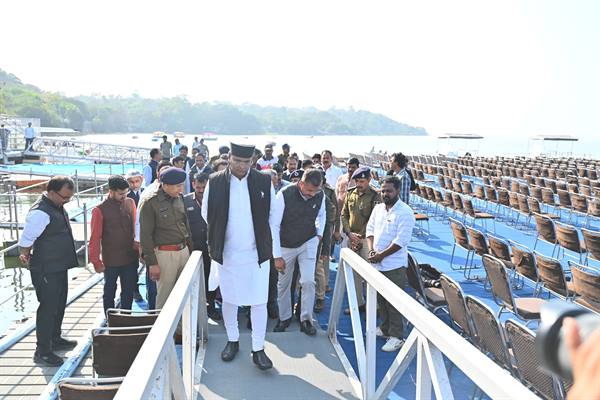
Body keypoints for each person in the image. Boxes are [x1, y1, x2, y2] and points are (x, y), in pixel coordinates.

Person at [201, 142, 280, 370]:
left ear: (252, 161)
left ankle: (258, 348)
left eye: (247, 162)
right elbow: (207, 214)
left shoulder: (263, 181)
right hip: (228, 254)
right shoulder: (215, 181)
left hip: (257, 254)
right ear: (230, 158)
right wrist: (223, 237)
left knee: (259, 302)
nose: (242, 166)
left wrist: (270, 248)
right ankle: (233, 340)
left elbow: (273, 216)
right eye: (237, 161)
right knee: (230, 299)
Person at [18, 176, 78, 366]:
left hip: (58, 266)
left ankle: (55, 338)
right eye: (64, 197)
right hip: (46, 268)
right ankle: (42, 351)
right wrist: (25, 254)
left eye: (69, 198)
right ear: (51, 192)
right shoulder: (40, 212)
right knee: (48, 308)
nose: (66, 201)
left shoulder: (56, 205)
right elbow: (26, 240)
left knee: (59, 304)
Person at [271, 169, 325, 335]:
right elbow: (274, 225)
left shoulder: (320, 195)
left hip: (308, 241)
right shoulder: (284, 194)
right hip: (285, 245)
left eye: (315, 191)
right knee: (283, 284)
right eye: (309, 190)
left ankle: (306, 319)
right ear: (301, 183)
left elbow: (322, 215)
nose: (312, 194)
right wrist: (277, 255)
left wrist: (319, 235)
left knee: (308, 281)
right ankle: (284, 317)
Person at [366, 176, 415, 351]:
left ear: (398, 191)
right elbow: (370, 229)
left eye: (389, 191)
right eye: (383, 190)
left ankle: (397, 336)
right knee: (381, 300)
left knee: (394, 302)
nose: (385, 194)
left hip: (394, 265)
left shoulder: (405, 212)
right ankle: (385, 328)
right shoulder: (378, 208)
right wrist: (371, 250)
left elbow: (401, 240)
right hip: (376, 262)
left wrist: (382, 255)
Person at [139, 167, 192, 316]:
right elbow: (145, 236)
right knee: (164, 297)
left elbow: (185, 226)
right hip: (164, 254)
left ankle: (181, 328)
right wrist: (152, 263)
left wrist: (191, 250)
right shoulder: (150, 202)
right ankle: (162, 329)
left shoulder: (179, 198)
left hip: (183, 251)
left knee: (184, 294)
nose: (181, 189)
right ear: (165, 185)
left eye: (182, 185)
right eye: (177, 186)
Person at [89, 175, 139, 315]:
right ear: (111, 191)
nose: (124, 196)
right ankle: (109, 318)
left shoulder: (130, 203)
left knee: (128, 290)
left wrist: (139, 248)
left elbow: (136, 228)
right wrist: (96, 261)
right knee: (109, 290)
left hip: (130, 256)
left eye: (126, 193)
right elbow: (94, 238)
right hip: (111, 260)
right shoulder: (99, 210)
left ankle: (126, 317)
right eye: (120, 194)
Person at [341, 167, 381, 314]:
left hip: (366, 241)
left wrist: (359, 236)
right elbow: (344, 214)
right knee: (353, 274)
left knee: (370, 273)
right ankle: (358, 303)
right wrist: (349, 233)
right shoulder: (350, 193)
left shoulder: (375, 196)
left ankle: (374, 306)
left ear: (369, 180)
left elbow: (373, 219)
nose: (359, 184)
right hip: (351, 238)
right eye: (357, 181)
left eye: (362, 181)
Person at [184, 172, 221, 321]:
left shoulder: (216, 200)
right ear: (193, 184)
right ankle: (195, 309)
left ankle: (210, 306)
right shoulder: (185, 201)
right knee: (194, 281)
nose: (200, 190)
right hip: (193, 249)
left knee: (210, 279)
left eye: (204, 187)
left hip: (211, 248)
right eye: (198, 187)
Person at [136, 160, 172, 309]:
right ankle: (152, 314)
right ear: (157, 174)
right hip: (154, 248)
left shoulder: (174, 193)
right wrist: (141, 249)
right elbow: (140, 225)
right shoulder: (149, 194)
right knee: (153, 285)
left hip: (170, 249)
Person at [314, 168, 340, 313]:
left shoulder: (326, 196)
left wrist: (334, 230)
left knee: (320, 266)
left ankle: (320, 295)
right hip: (304, 238)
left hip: (321, 235)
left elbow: (332, 216)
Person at [125, 169, 145, 302]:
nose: (134, 184)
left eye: (137, 181)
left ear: (141, 180)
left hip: (146, 233)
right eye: (131, 182)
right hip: (131, 235)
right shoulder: (125, 197)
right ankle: (134, 289)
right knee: (133, 265)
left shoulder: (147, 192)